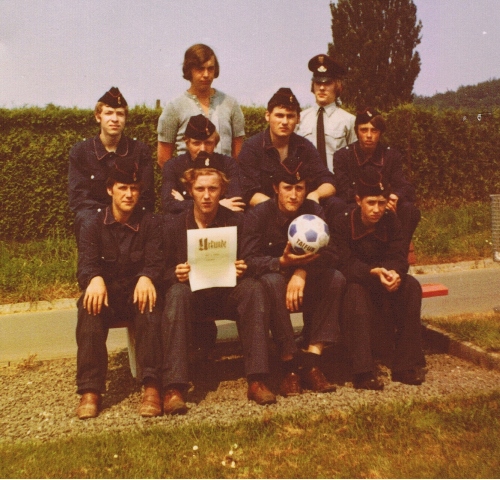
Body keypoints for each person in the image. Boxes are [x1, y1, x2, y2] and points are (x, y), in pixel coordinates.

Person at [161, 161, 276, 413]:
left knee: (253, 289)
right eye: (200, 188)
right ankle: (174, 387)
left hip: (226, 292)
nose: (206, 195)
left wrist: (243, 267)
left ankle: (257, 379)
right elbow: (159, 269)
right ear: (190, 190)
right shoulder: (173, 226)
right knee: (175, 293)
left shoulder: (237, 221)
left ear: (222, 191)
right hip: (191, 294)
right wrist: (174, 274)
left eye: (213, 189)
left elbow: (251, 258)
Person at [240, 164, 345, 397]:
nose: (294, 194)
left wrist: (301, 271)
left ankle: (312, 363)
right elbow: (249, 259)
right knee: (272, 282)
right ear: (276, 188)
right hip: (275, 280)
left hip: (305, 279)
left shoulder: (313, 211)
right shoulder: (259, 214)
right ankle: (289, 367)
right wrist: (281, 263)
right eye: (288, 188)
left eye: (300, 188)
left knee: (335, 278)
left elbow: (332, 252)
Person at [75, 157, 163, 419]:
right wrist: (94, 279)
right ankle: (90, 390)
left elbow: (156, 261)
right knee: (89, 308)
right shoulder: (92, 223)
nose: (129, 194)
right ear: (110, 189)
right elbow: (86, 265)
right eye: (123, 188)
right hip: (108, 294)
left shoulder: (150, 222)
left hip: (136, 292)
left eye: (134, 188)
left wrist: (147, 276)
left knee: (150, 304)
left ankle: (152, 386)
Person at [331, 167, 426, 390]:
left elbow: (398, 255)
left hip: (383, 280)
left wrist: (395, 273)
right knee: (355, 292)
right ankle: (363, 371)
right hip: (355, 283)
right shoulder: (342, 222)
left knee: (412, 286)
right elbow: (342, 263)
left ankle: (405, 365)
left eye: (381, 203)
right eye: (371, 203)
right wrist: (372, 272)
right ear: (358, 200)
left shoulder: (390, 221)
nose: (376, 209)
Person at [69, 87, 155, 237]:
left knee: (153, 220)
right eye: (108, 113)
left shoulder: (140, 151)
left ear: (125, 118)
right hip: (96, 222)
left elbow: (147, 197)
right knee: (84, 218)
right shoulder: (81, 151)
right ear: (98, 117)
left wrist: (123, 215)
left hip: (131, 219)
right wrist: (110, 216)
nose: (114, 119)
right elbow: (79, 200)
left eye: (120, 114)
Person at [332, 107, 420, 248]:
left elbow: (405, 187)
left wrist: (394, 197)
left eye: (374, 131)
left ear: (380, 133)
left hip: (383, 207)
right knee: (336, 205)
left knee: (409, 209)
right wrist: (368, 203)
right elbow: (344, 190)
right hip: (356, 207)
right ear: (356, 132)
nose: (369, 135)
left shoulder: (391, 155)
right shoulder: (342, 156)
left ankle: (398, 257)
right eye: (364, 130)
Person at [238, 87, 336, 210]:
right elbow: (249, 192)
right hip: (264, 212)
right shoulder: (252, 147)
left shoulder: (305, 146)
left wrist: (315, 195)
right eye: (279, 115)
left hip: (299, 208)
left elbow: (328, 181)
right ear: (268, 116)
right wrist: (280, 209)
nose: (284, 122)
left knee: (335, 205)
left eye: (290, 116)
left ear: (298, 119)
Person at [157, 44, 245, 167]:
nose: (206, 74)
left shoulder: (231, 104)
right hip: (187, 182)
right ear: (189, 70)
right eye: (200, 69)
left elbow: (238, 154)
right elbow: (164, 159)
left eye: (210, 69)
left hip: (224, 181)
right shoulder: (174, 107)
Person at [161, 114, 244, 214]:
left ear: (215, 143)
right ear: (187, 143)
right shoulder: (173, 166)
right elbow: (168, 205)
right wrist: (219, 204)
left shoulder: (228, 164)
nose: (203, 149)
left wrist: (184, 203)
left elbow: (236, 203)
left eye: (208, 143)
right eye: (196, 143)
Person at [297, 54, 357, 172]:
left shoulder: (349, 121)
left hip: (337, 185)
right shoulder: (300, 118)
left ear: (337, 86)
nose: (322, 88)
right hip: (307, 185)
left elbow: (354, 159)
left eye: (327, 83)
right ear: (312, 86)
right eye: (318, 83)